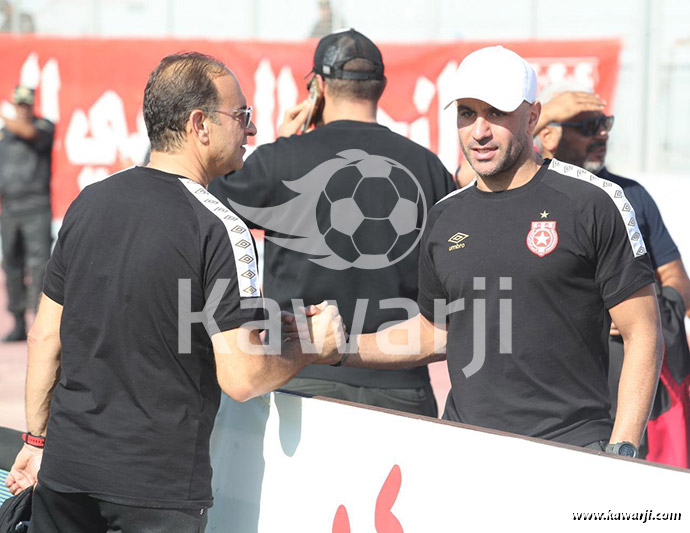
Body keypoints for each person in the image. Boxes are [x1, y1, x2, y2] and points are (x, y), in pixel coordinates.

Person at [4, 52, 344, 532]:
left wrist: (36, 444)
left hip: (66, 475)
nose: (250, 130)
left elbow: (45, 338)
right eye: (242, 116)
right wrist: (313, 347)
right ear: (200, 124)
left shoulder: (88, 203)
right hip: (155, 491)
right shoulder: (220, 227)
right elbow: (243, 377)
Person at [312, 46, 664, 457]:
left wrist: (622, 447)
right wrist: (342, 349)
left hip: (572, 450)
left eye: (496, 113)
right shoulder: (445, 216)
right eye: (466, 114)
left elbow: (643, 331)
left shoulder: (594, 202)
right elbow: (434, 333)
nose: (479, 131)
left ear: (532, 117)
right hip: (464, 450)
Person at [210, 29, 456, 417]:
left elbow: (202, 202)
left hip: (301, 379)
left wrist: (278, 148)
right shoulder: (429, 168)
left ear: (317, 89)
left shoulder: (279, 161)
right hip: (400, 383)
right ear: (381, 87)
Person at [535, 85, 690, 315]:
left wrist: (643, 314)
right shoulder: (528, 195)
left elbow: (676, 278)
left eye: (605, 124)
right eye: (589, 127)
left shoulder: (631, 192)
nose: (603, 134)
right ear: (547, 136)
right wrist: (545, 113)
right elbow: (472, 174)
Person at [0, 86, 54, 342]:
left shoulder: (43, 127)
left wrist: (6, 119)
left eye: (26, 105)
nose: (23, 109)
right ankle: (18, 321)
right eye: (18, 105)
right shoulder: (4, 136)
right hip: (10, 208)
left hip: (36, 207)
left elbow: (28, 131)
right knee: (12, 266)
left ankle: (39, 320)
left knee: (39, 266)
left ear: (32, 106)